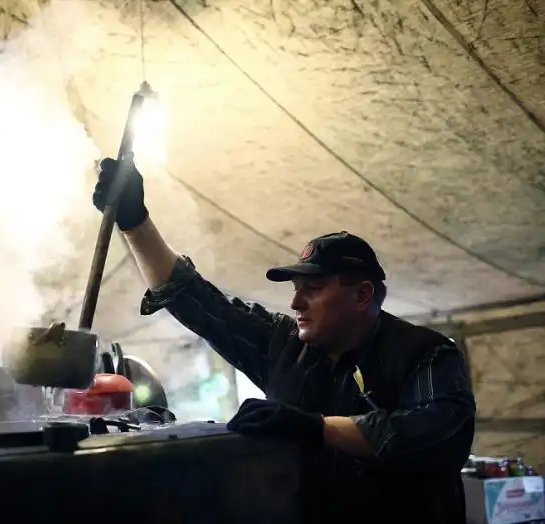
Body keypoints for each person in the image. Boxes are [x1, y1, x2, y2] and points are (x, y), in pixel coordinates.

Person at [92, 158, 476, 523]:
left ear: (361, 296)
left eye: (313, 288)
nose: (295, 302)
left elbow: (435, 435)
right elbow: (197, 301)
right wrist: (134, 222)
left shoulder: (426, 353)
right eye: (295, 288)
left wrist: (315, 428)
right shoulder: (284, 343)